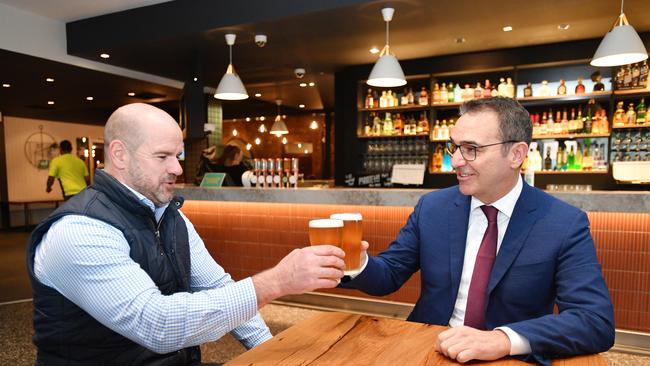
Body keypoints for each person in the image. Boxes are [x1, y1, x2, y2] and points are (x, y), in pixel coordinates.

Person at [27, 103, 345, 365]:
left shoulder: (171, 218)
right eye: (162, 156)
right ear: (120, 155)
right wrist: (277, 281)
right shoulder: (78, 231)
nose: (177, 169)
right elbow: (157, 325)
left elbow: (216, 285)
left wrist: (268, 351)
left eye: (177, 157)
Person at [343, 97, 614, 365]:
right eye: (455, 147)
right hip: (429, 348)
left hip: (508, 358)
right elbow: (389, 274)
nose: (457, 161)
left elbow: (594, 321)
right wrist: (354, 260)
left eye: (472, 148)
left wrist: (503, 339)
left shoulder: (564, 223)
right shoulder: (433, 207)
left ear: (516, 154)